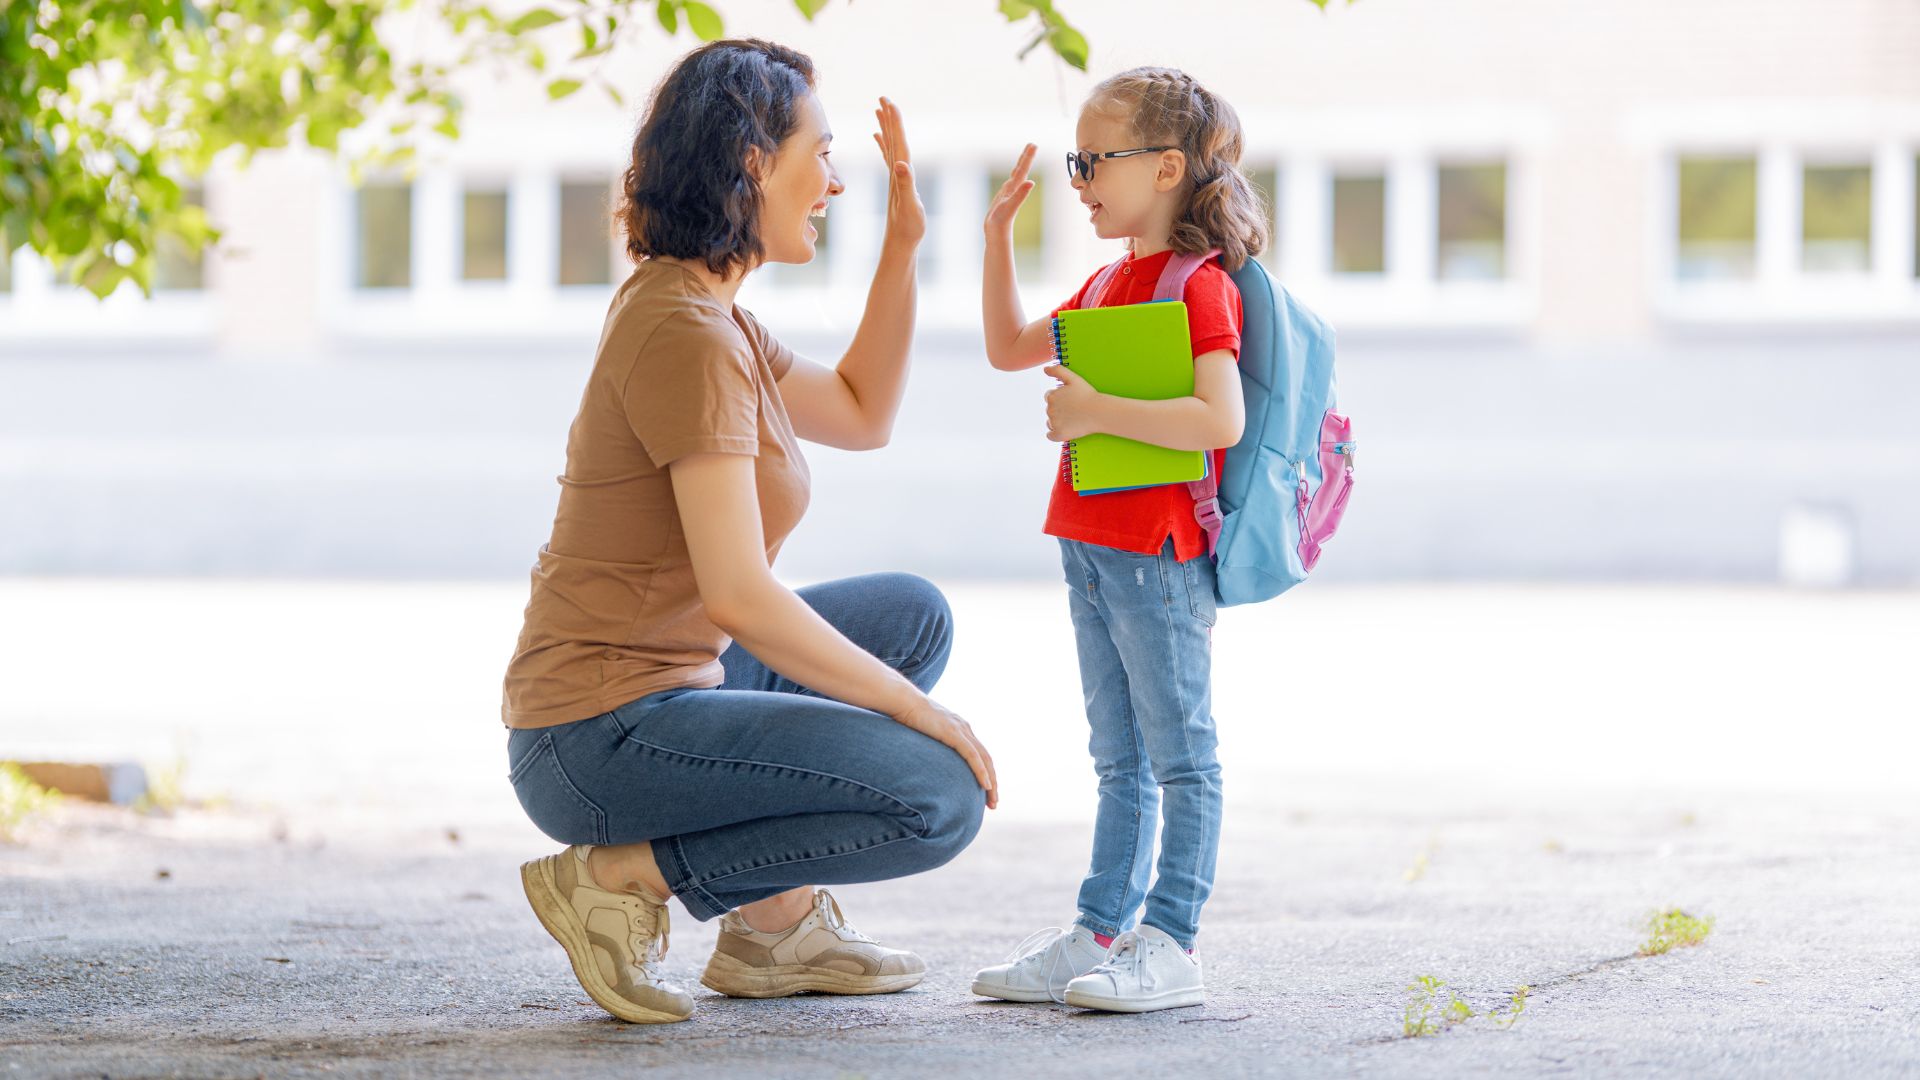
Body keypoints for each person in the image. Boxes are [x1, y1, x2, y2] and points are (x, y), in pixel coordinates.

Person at [501, 39, 996, 1025]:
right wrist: (920, 714)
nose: (836, 181)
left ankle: (773, 932)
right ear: (753, 161)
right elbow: (738, 593)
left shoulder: (710, 314)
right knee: (935, 797)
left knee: (911, 617)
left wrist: (903, 249)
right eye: (820, 151)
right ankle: (623, 874)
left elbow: (861, 411)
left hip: (677, 688)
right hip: (597, 738)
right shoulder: (686, 334)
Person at [972, 66, 1267, 1013]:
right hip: (1091, 543)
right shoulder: (1105, 281)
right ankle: (1101, 931)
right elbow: (1008, 348)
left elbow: (1216, 420)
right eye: (1078, 160)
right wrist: (994, 239)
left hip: (1160, 550)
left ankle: (1170, 941)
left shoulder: (1198, 286)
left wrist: (1098, 406)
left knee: (1181, 753)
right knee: (1117, 756)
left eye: (1096, 160)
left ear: (1169, 167)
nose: (1081, 179)